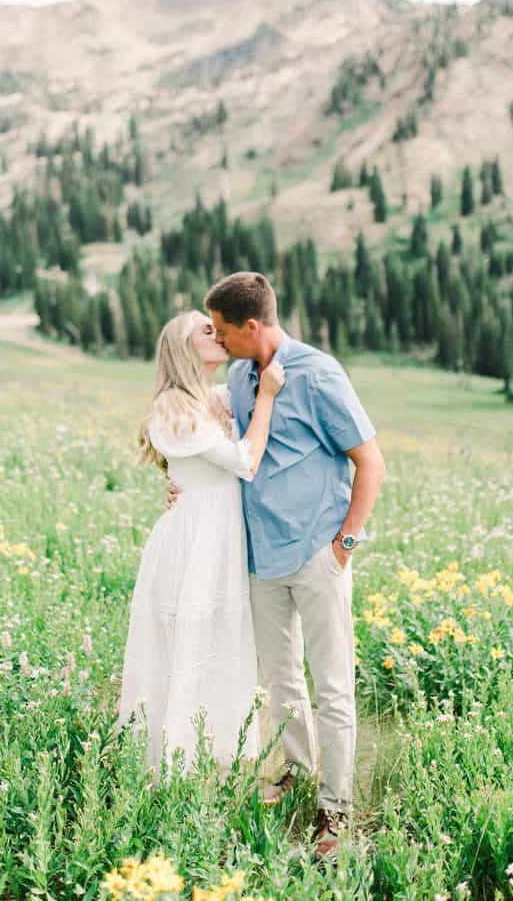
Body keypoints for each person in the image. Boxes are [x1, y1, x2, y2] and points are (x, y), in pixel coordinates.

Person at [168, 272, 386, 861]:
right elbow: (232, 453)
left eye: (221, 330)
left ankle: (334, 810)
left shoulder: (319, 374)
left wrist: (344, 545)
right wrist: (180, 486)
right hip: (261, 559)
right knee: (283, 680)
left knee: (333, 688)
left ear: (252, 327)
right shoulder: (239, 376)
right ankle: (295, 770)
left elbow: (371, 462)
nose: (216, 339)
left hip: (318, 554)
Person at [116, 309, 285, 773]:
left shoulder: (211, 397)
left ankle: (212, 751)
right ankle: (175, 758)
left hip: (219, 531)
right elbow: (244, 461)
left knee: (219, 640)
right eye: (207, 331)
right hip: (195, 538)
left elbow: (193, 465)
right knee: (188, 642)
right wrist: (267, 397)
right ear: (185, 347)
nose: (219, 333)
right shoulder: (173, 406)